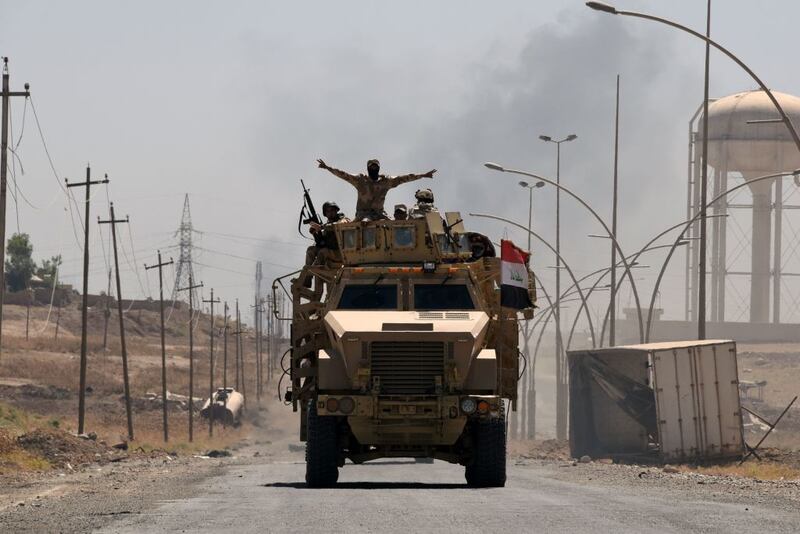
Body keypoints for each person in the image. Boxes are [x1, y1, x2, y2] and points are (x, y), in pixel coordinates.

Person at [317, 158, 436, 221]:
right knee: (362, 224)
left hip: (379, 214)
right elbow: (343, 174)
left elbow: (404, 178)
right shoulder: (360, 180)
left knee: (395, 225)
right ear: (368, 168)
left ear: (379, 168)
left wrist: (423, 175)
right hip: (362, 214)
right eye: (371, 167)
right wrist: (327, 167)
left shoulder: (386, 181)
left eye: (375, 167)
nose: (373, 169)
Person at [304, 201, 349, 268]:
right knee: (311, 250)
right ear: (325, 213)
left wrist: (321, 227)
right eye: (327, 211)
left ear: (336, 210)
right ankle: (307, 276)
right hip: (330, 251)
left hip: (341, 253)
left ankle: (312, 271)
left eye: (332, 210)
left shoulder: (344, 220)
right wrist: (315, 233)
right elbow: (322, 243)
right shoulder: (326, 226)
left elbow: (338, 225)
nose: (330, 213)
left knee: (323, 252)